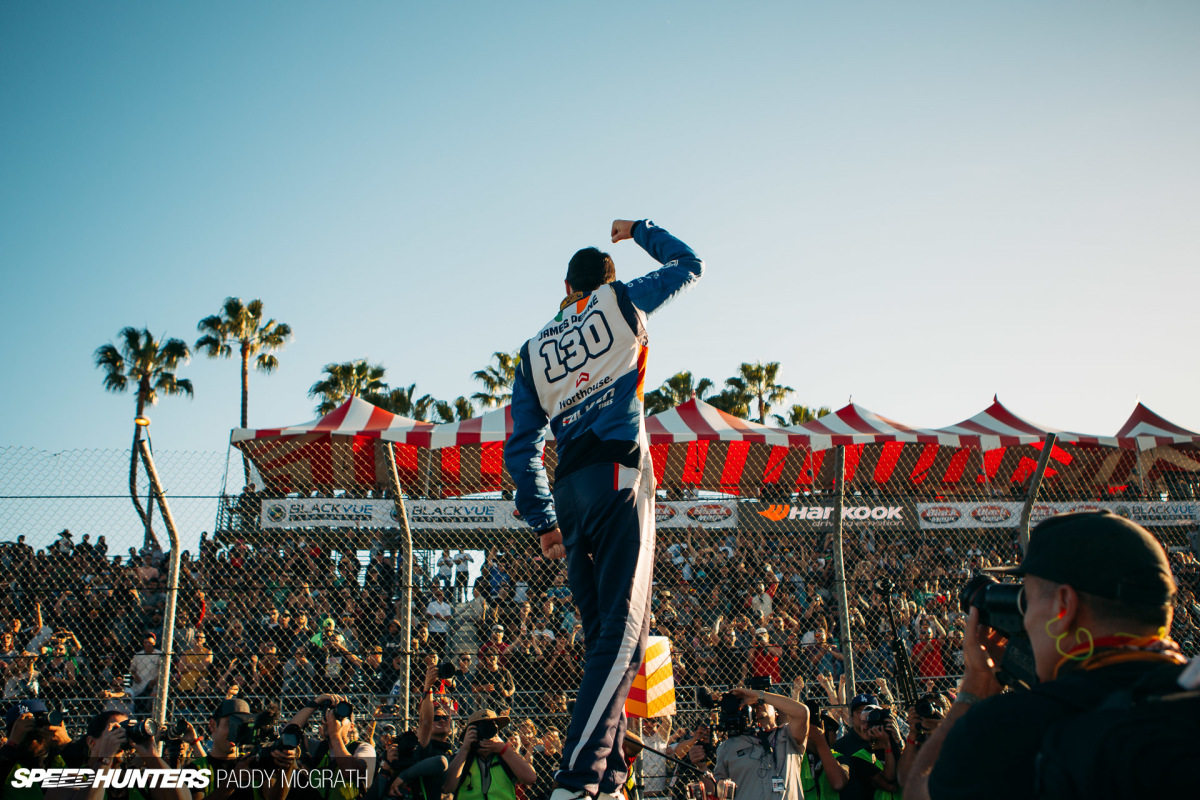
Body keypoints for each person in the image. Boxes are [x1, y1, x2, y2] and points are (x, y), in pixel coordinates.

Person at [504, 218, 704, 800]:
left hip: (569, 493)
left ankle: (611, 774)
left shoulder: (533, 348)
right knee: (624, 636)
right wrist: (639, 228)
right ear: (606, 282)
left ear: (565, 287)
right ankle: (580, 777)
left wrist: (543, 519)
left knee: (602, 642)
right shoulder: (620, 301)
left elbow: (520, 449)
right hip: (620, 478)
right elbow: (689, 266)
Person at [907, 511, 1189, 799]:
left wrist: (975, 687)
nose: (1026, 617)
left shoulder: (1010, 728)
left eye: (1026, 597)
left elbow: (917, 792)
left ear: (1063, 605)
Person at [705, 686, 810, 800]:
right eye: (752, 705)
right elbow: (716, 792)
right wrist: (702, 768)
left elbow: (802, 712)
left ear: (776, 711)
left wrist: (760, 695)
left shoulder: (788, 735)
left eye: (762, 703)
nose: (757, 705)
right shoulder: (729, 746)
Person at [443, 709, 537, 800]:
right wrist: (465, 748)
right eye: (481, 727)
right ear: (470, 732)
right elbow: (447, 788)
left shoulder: (505, 756)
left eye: (491, 727)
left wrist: (503, 749)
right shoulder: (463, 757)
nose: (486, 731)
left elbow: (530, 778)